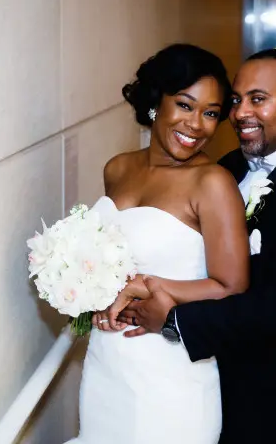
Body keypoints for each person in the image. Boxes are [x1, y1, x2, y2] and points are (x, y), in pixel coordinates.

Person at [117, 49, 276, 443]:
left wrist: (176, 320)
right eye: (236, 100)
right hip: (221, 390)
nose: (241, 112)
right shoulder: (227, 168)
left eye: (258, 99)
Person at [65, 44, 250, 444]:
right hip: (107, 367)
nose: (197, 124)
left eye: (211, 113)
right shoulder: (117, 168)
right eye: (185, 105)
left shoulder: (213, 184)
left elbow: (232, 287)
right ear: (156, 102)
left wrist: (148, 285)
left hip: (171, 375)